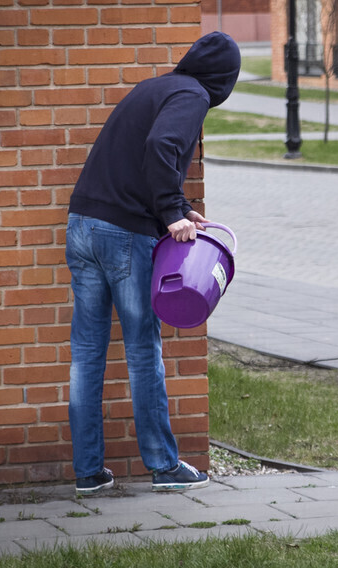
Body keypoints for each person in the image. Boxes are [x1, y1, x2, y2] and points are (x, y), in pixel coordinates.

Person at [65, 32, 241, 496]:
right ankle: (163, 466)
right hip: (123, 234)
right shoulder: (193, 95)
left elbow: (136, 158)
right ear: (224, 80)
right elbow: (162, 147)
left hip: (82, 224)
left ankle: (88, 473)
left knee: (86, 353)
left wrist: (180, 209)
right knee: (143, 349)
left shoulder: (154, 87)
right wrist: (169, 212)